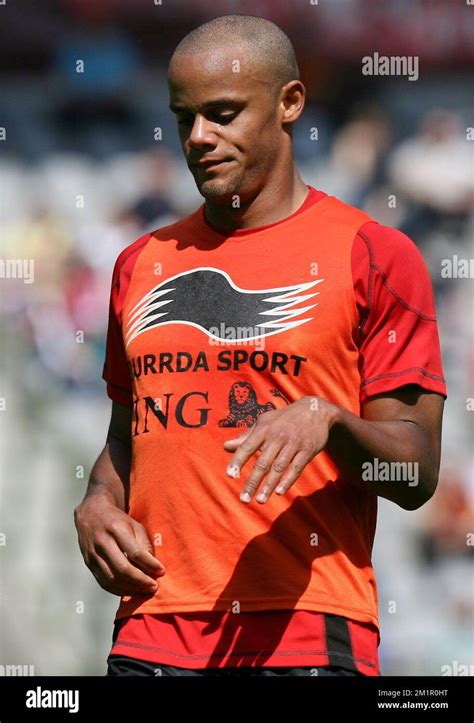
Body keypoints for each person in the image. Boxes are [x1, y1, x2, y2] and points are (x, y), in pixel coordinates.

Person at [74, 15, 447, 677]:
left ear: (290, 103)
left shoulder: (375, 254)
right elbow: (125, 439)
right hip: (149, 635)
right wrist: (99, 501)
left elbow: (415, 473)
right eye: (184, 117)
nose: (199, 139)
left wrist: (330, 422)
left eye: (222, 114)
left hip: (304, 636)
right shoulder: (140, 263)